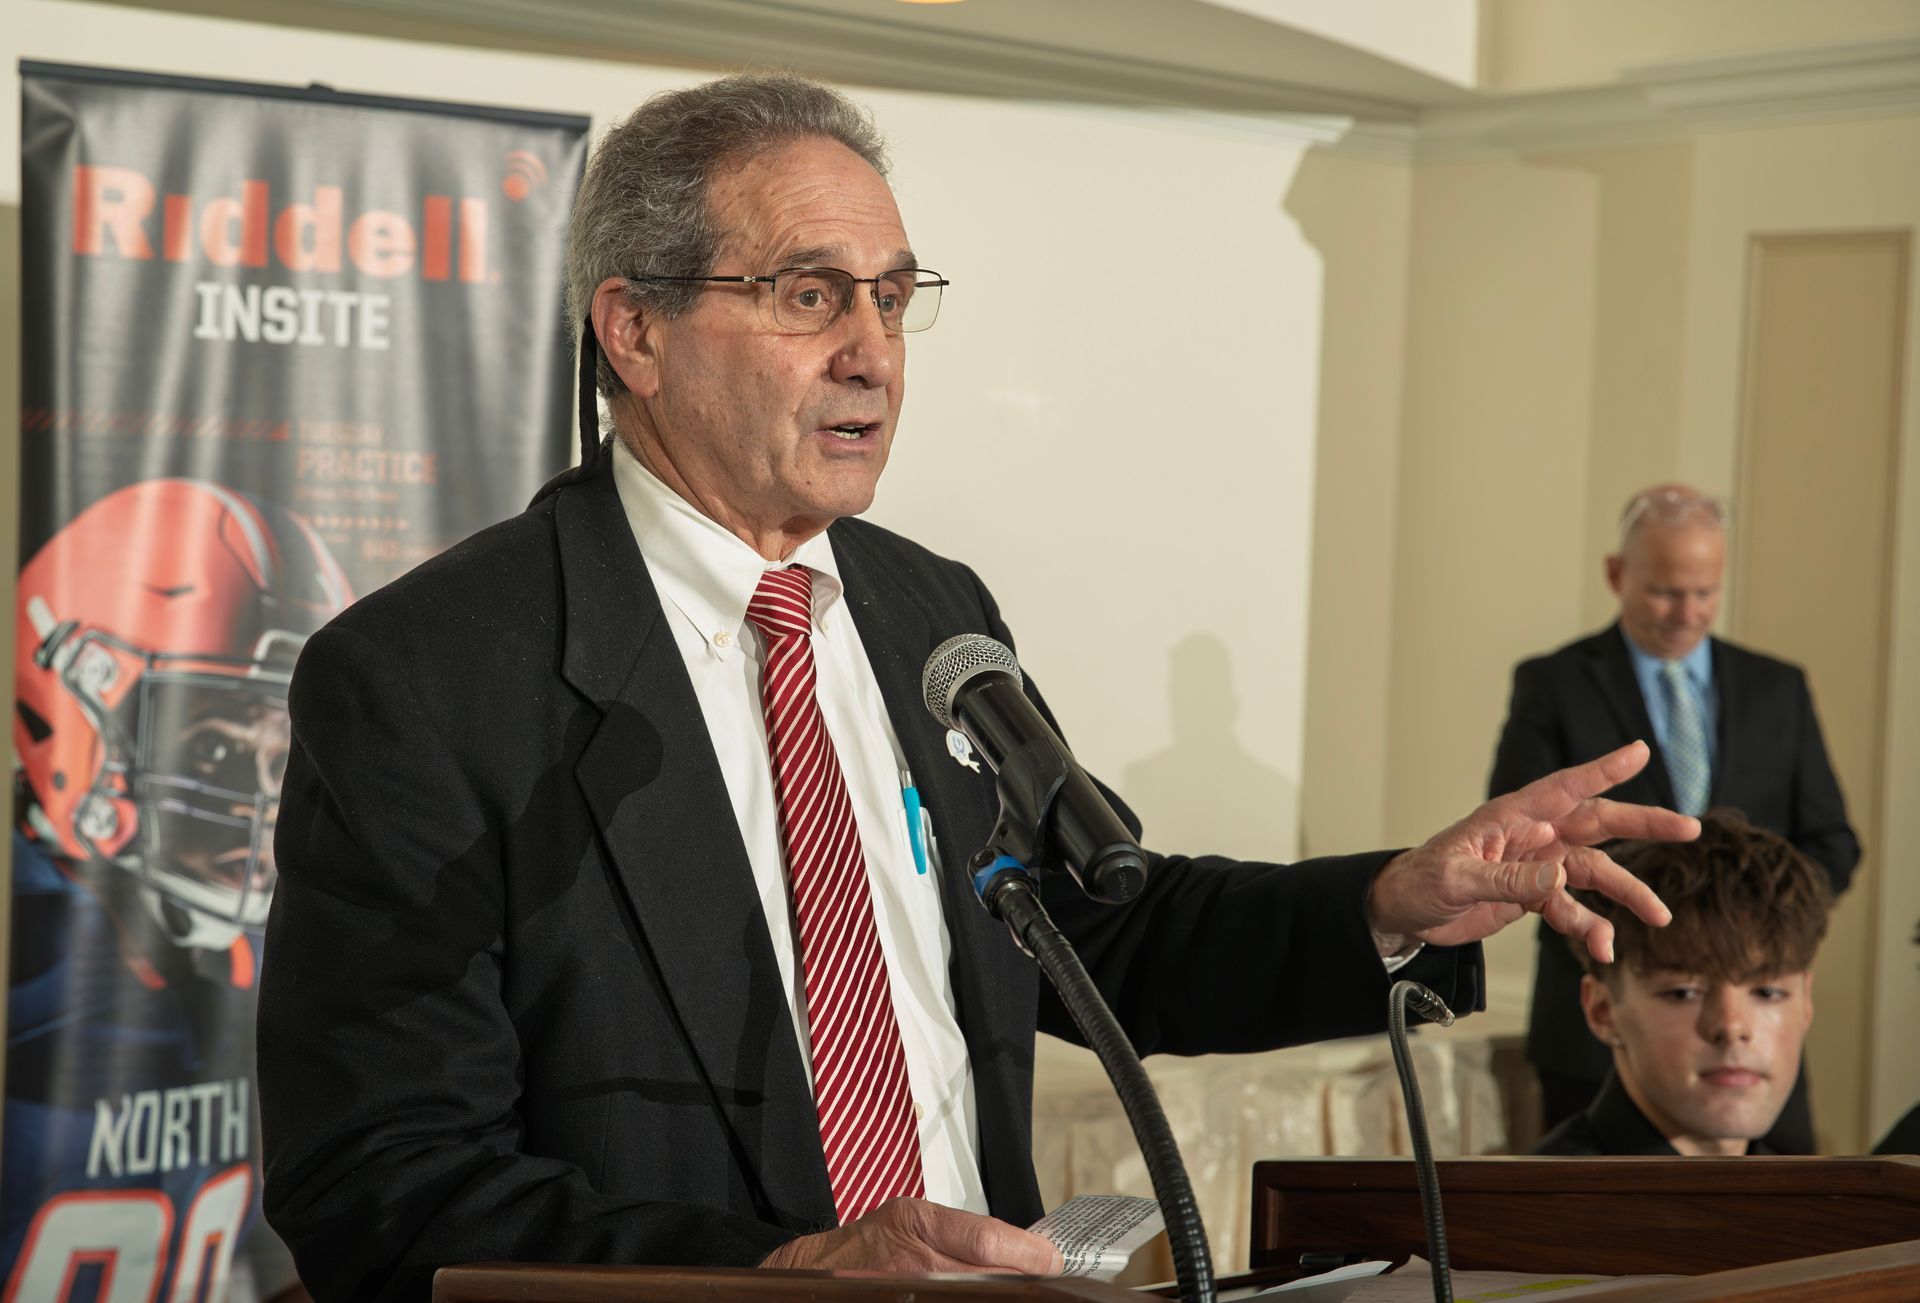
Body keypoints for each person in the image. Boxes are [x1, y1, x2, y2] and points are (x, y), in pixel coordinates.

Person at [256, 74, 1691, 1300]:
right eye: (808, 293)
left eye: (891, 295)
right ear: (633, 328)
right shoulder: (431, 677)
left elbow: (1092, 926)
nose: (871, 350)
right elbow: (382, 1182)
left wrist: (1389, 903)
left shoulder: (925, 607)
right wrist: (791, 1269)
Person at [6, 478, 347, 1302]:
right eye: (217, 750)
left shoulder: (292, 951)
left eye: (284, 754)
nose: (262, 804)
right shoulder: (34, 970)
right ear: (71, 712)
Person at [1490, 485, 1859, 1150]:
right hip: (1599, 1014)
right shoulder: (1554, 683)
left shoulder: (1779, 686)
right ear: (1616, 574)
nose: (1686, 613)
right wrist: (1641, 929)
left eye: (1704, 591)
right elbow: (1524, 845)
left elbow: (1832, 840)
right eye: (1665, 591)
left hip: (1749, 1014)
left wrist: (1755, 917)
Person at [1533, 810, 1829, 1156]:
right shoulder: (1524, 1204)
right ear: (1602, 1010)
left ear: (1805, 1004)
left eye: (1767, 992)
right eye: (1684, 993)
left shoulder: (1826, 1201)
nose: (1731, 1027)